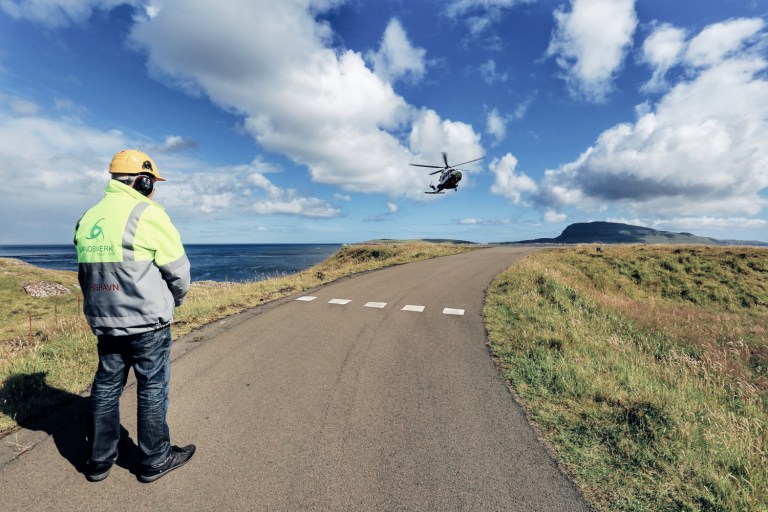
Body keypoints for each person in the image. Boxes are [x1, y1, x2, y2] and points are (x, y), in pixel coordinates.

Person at [74, 149, 194, 483]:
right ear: (141, 181)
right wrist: (176, 301)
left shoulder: (89, 217)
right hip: (146, 322)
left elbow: (85, 273)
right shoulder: (149, 213)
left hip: (105, 321)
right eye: (152, 182)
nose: (154, 189)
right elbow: (179, 272)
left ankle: (99, 459)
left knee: (107, 383)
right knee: (152, 386)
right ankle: (155, 459)